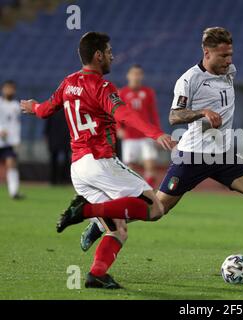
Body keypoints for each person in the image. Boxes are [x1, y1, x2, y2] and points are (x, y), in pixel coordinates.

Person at [81, 27, 243, 275]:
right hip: (192, 156)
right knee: (157, 210)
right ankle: (101, 222)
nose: (229, 61)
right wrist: (202, 112)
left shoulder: (230, 71)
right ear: (206, 54)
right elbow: (174, 116)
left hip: (224, 155)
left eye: (230, 55)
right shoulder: (189, 80)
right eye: (223, 56)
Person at [20, 31, 175, 289]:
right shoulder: (101, 86)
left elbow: (46, 109)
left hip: (79, 168)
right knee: (155, 208)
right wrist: (155, 133)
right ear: (98, 55)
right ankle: (86, 212)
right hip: (100, 160)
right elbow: (123, 113)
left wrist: (33, 107)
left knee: (118, 228)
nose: (113, 57)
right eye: (110, 52)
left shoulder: (67, 82)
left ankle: (97, 274)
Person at [118, 65, 163, 188]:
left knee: (150, 166)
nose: (136, 76)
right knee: (130, 168)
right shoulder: (122, 93)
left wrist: (158, 133)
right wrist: (119, 128)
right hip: (129, 136)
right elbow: (116, 113)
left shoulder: (148, 92)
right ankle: (136, 193)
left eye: (138, 74)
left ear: (142, 76)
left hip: (145, 135)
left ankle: (149, 195)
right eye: (133, 73)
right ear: (128, 75)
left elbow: (153, 114)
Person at [0, 80, 24, 200]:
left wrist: (16, 140)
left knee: (11, 164)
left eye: (11, 88)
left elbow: (15, 125)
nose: (9, 91)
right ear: (3, 89)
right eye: (7, 88)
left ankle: (14, 192)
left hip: (9, 142)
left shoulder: (15, 105)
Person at [44, 109, 71, 185]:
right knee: (54, 159)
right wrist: (46, 136)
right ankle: (54, 180)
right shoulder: (53, 110)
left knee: (66, 159)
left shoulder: (66, 108)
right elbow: (48, 125)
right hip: (55, 138)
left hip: (64, 138)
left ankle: (64, 179)